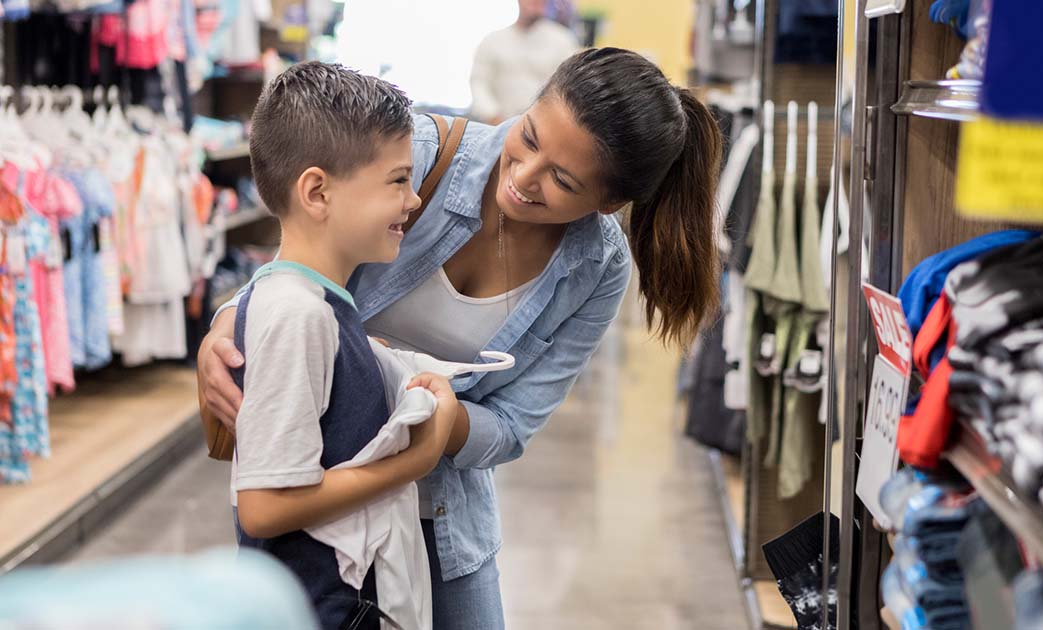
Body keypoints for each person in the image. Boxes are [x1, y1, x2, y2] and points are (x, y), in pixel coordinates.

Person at [200, 48, 724, 630]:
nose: (523, 177)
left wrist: (440, 425)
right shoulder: (418, 154)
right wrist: (226, 328)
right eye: (528, 137)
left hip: (442, 511)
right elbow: (299, 261)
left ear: (609, 203)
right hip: (323, 498)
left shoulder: (597, 268)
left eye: (562, 179)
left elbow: (514, 425)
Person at [228, 62, 459, 629]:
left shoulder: (316, 304)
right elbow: (264, 506)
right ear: (317, 192)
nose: (413, 201)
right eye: (398, 181)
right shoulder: (297, 314)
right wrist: (416, 461)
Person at [469, 0, 579, 125]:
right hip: (497, 126)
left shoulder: (563, 41)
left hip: (545, 128)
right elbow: (479, 83)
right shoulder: (492, 41)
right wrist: (492, 115)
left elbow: (570, 87)